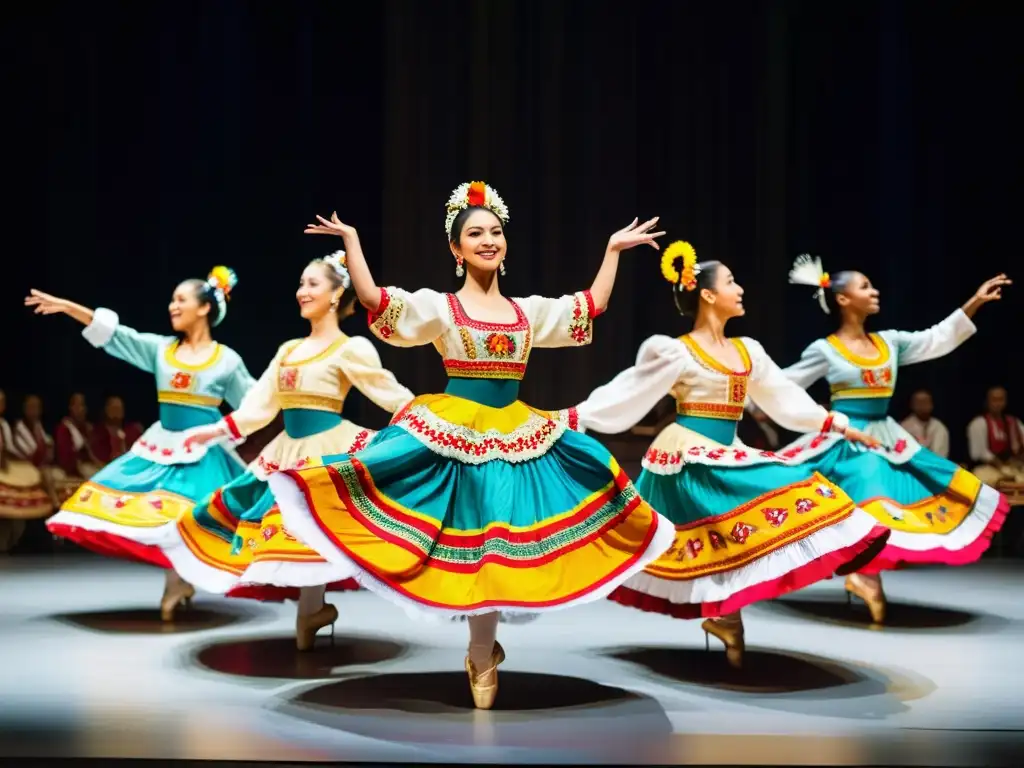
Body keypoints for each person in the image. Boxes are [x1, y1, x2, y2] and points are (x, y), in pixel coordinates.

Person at [267, 181, 675, 708]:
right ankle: (481, 651)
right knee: (466, 544)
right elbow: (374, 300)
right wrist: (352, 240)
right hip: (457, 433)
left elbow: (589, 306)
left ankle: (482, 651)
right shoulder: (442, 308)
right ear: (456, 250)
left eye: (495, 232)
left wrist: (612, 251)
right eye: (475, 234)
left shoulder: (526, 312)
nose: (488, 240)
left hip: (514, 432)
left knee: (498, 544)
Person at [574, 241, 889, 669]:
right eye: (730, 282)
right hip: (688, 456)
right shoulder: (677, 350)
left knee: (787, 498)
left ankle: (726, 617)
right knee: (718, 532)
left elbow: (784, 399)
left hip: (728, 450)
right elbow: (628, 392)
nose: (739, 288)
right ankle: (727, 616)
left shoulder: (747, 351)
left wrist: (841, 425)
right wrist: (574, 418)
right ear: (706, 295)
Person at [165, 252, 415, 650]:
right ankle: (311, 613)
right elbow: (258, 408)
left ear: (336, 295)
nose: (302, 292)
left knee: (316, 528)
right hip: (286, 452)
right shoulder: (288, 350)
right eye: (301, 284)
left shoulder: (351, 349)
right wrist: (213, 432)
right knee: (286, 528)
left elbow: (390, 394)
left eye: (313, 284)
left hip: (328, 448)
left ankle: (310, 614)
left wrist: (429, 418)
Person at [779, 255, 1011, 622]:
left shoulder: (891, 343)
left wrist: (975, 302)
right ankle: (864, 575)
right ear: (842, 300)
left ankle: (863, 573)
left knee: (918, 490)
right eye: (865, 286)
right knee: (867, 495)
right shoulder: (825, 350)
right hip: (844, 440)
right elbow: (782, 385)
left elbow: (937, 339)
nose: (875, 292)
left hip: (885, 436)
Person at [24, 268, 256, 620]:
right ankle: (176, 580)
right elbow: (116, 336)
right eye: (172, 300)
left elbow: (256, 405)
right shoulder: (161, 350)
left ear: (204, 308)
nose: (172, 306)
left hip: (203, 453)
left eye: (181, 300)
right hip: (163, 447)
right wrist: (68, 307)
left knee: (189, 517)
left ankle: (181, 579)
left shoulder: (226, 360)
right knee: (157, 513)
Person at [0, 389, 52, 551]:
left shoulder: (4, 425)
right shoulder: (16, 427)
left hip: (7, 470)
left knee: (17, 512)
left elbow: (11, 451)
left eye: (2, 402)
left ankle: (7, 545)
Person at [967, 386, 1024, 486]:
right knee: (981, 477)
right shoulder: (979, 423)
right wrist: (1001, 467)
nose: (997, 404)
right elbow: (977, 454)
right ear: (987, 402)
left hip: (1013, 467)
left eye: (1001, 399)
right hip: (989, 468)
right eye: (994, 400)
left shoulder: (1015, 423)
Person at [52, 393, 102, 505]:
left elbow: (92, 454)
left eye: (83, 406)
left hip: (84, 468)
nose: (81, 409)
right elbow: (64, 457)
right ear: (70, 408)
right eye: (77, 406)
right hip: (69, 470)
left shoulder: (86, 428)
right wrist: (78, 468)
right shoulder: (64, 428)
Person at [91, 396, 143, 465]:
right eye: (113, 408)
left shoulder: (133, 430)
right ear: (106, 410)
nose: (116, 412)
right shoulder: (99, 432)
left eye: (119, 408)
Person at [900, 389, 950, 459]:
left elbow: (941, 456)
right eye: (918, 402)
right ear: (912, 405)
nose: (922, 405)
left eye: (925, 402)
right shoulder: (904, 427)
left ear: (931, 404)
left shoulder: (939, 427)